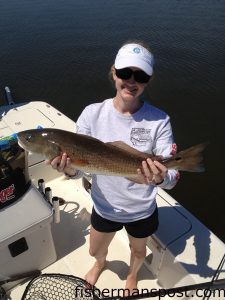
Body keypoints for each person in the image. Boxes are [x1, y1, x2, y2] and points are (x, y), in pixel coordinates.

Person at [47, 41, 179, 292]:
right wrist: (69, 169)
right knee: (95, 249)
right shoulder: (91, 114)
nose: (132, 81)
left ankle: (132, 276)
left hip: (141, 209)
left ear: (148, 80)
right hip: (105, 206)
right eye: (125, 73)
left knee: (138, 250)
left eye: (140, 75)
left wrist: (160, 179)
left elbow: (172, 177)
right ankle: (100, 263)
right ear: (113, 73)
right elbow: (82, 170)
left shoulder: (160, 120)